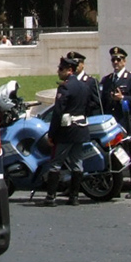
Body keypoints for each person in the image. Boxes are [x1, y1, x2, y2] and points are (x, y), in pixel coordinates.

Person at [43, 55, 90, 207]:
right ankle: (74, 197)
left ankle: (51, 197)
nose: (58, 71)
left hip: (66, 131)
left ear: (69, 70)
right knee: (77, 164)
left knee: (56, 163)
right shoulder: (84, 86)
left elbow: (58, 112)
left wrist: (52, 134)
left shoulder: (65, 87)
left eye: (61, 69)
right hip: (80, 130)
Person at [100, 46, 131, 199]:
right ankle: (117, 187)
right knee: (115, 156)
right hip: (112, 125)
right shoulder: (107, 80)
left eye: (119, 59)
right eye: (113, 60)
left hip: (127, 123)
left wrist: (123, 99)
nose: (116, 62)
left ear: (124, 61)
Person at [66, 51, 102, 117]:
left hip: (87, 117)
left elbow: (97, 102)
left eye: (76, 63)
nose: (74, 66)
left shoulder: (91, 81)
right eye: (71, 64)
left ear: (82, 64)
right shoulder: (68, 81)